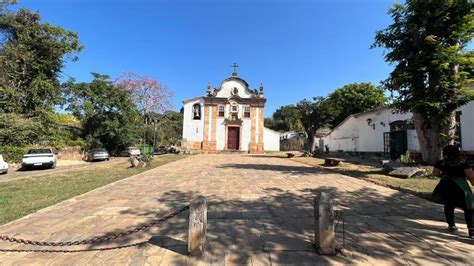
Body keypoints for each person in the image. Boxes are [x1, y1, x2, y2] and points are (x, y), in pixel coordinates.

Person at [432, 145, 474, 238]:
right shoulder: (463, 163)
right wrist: (472, 182)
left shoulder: (441, 163)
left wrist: (443, 175)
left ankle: (451, 225)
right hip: (460, 186)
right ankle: (471, 229)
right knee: (468, 207)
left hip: (446, 185)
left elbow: (435, 173)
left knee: (449, 205)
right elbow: (470, 175)